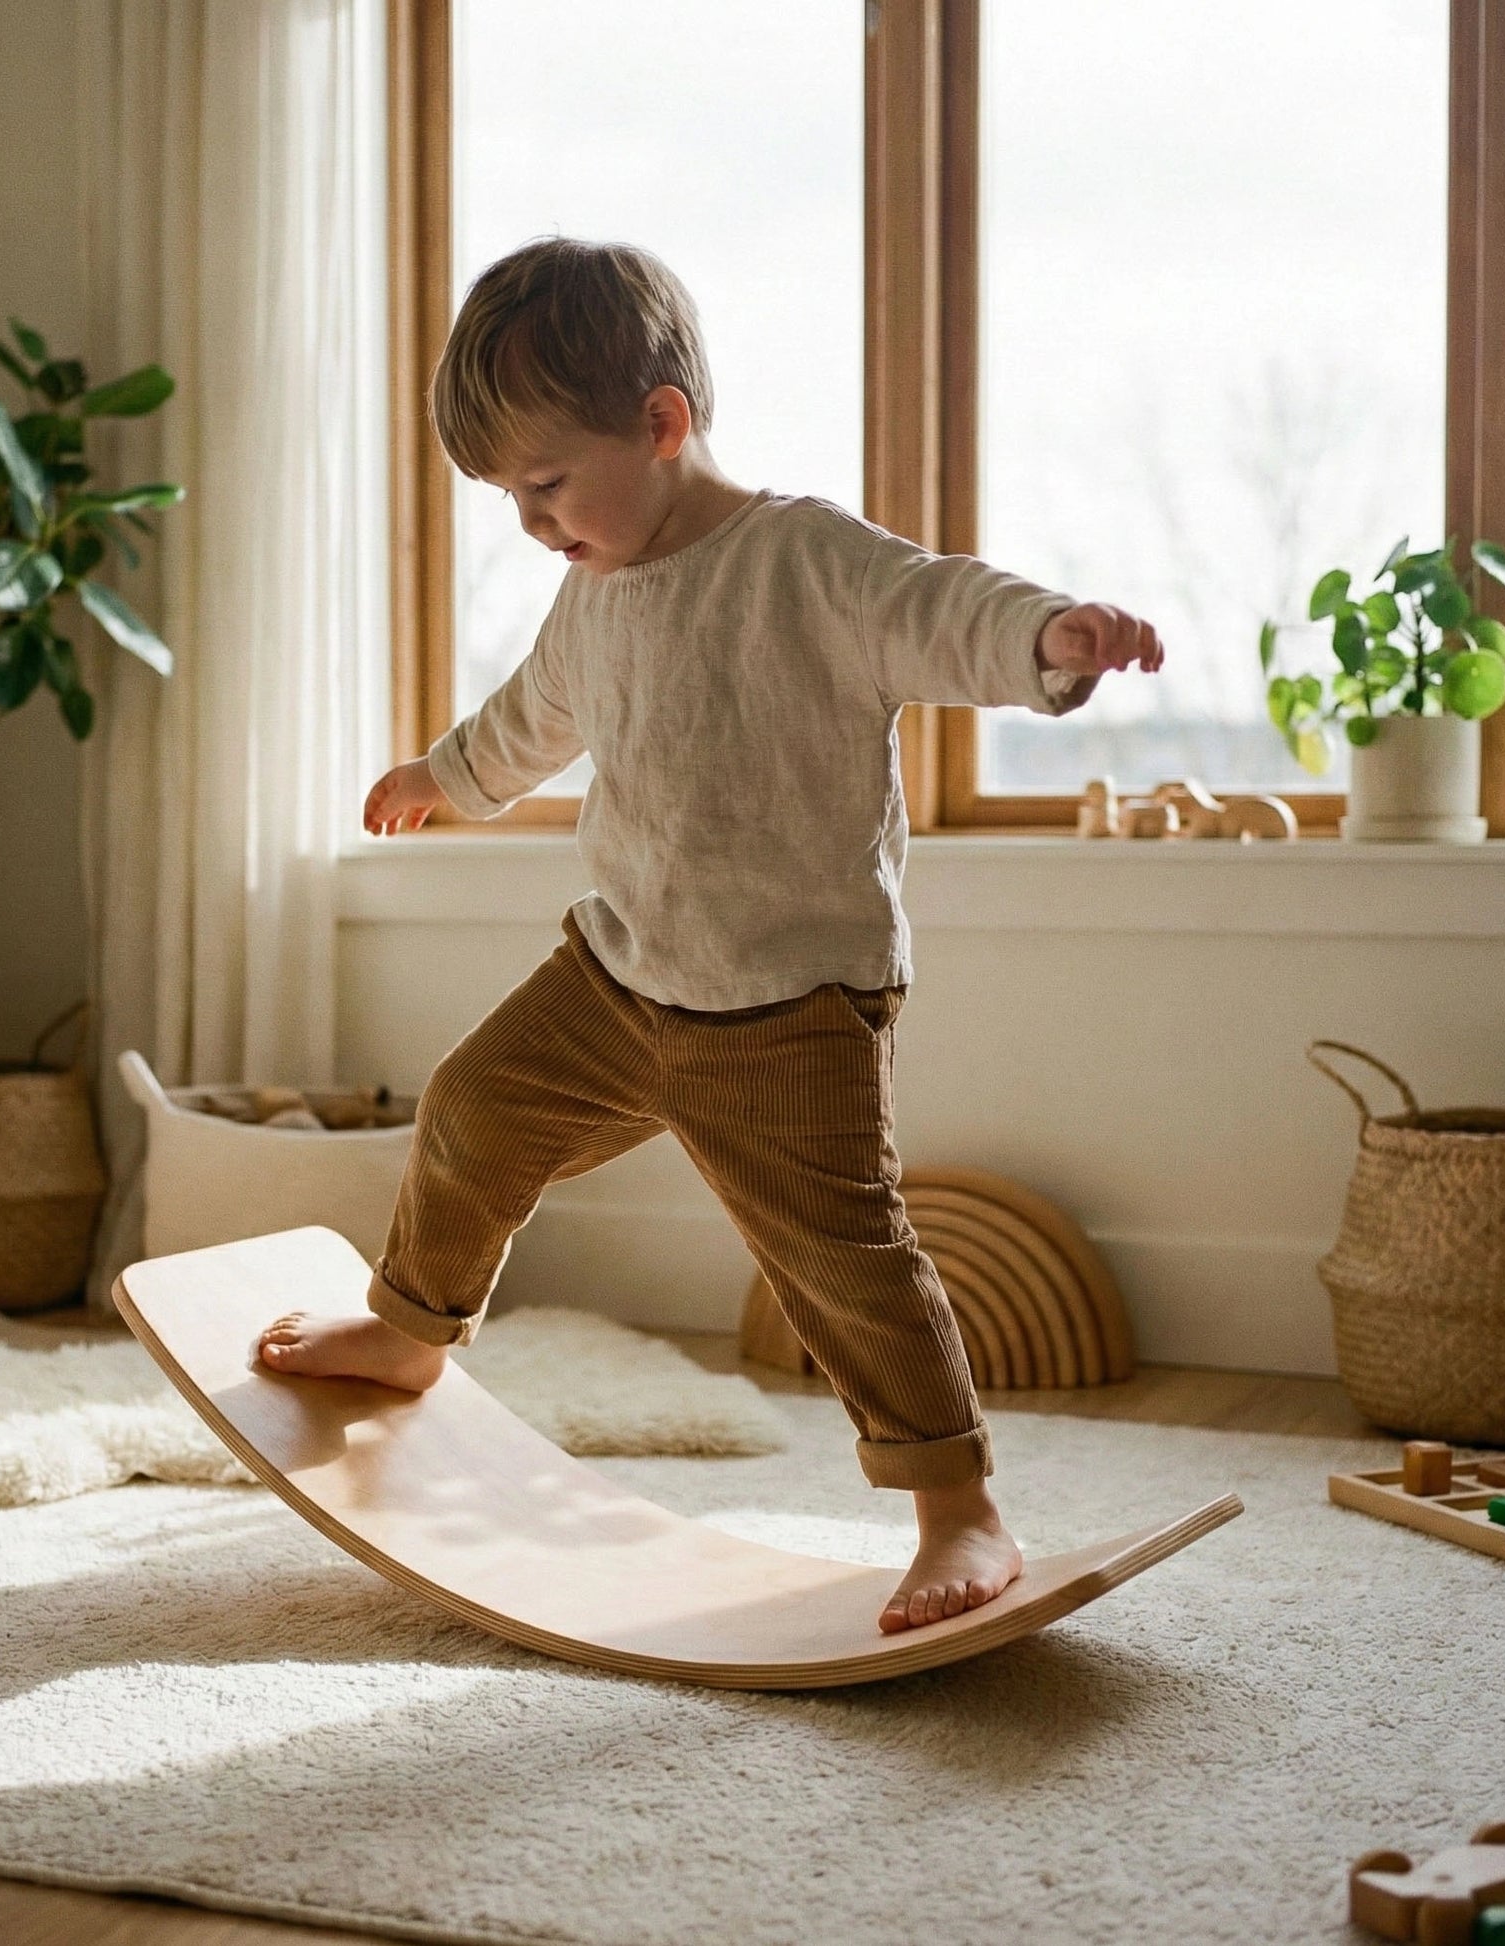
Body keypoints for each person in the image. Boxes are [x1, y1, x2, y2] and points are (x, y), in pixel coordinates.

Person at [256, 238, 1163, 1634]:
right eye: (509, 498)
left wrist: (1052, 638)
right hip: (619, 974)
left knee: (843, 1264)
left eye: (547, 485)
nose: (532, 524)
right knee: (470, 1107)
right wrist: (447, 775)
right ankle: (411, 1327)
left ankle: (959, 1511)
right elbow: (531, 715)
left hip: (789, 1004)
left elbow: (944, 606)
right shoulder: (593, 589)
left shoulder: (803, 559)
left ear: (662, 423)